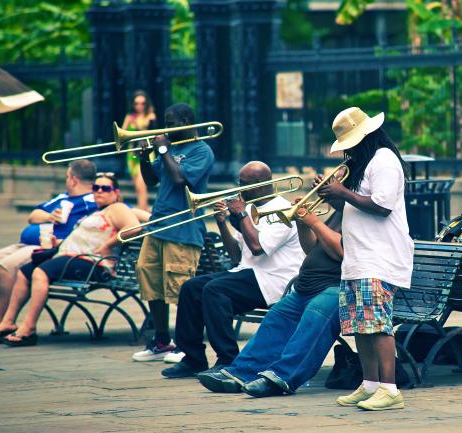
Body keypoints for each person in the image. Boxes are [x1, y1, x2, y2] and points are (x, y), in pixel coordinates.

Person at [160, 161, 304, 378]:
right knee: (191, 288)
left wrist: (241, 215)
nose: (238, 189)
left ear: (260, 185)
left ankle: (227, 358)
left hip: (275, 280)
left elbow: (257, 248)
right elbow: (237, 256)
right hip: (250, 272)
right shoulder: (251, 209)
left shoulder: (283, 210)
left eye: (242, 184)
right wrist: (221, 223)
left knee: (215, 290)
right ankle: (193, 358)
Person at [316, 107, 413, 411]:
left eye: (351, 143)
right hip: (358, 259)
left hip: (379, 258)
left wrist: (342, 192)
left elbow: (382, 206)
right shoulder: (363, 164)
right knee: (361, 325)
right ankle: (370, 384)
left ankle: (390, 388)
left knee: (379, 325)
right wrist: (334, 195)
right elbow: (357, 204)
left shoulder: (384, 160)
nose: (348, 150)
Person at [197, 206, 343, 397]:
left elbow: (341, 252)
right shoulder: (340, 210)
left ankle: (282, 377)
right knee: (277, 317)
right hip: (308, 285)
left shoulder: (359, 212)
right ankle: (242, 372)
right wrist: (303, 224)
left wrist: (314, 221)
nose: (322, 183)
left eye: (335, 181)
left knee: (316, 313)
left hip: (340, 286)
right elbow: (311, 248)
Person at [0, 174, 142, 346]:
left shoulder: (117, 208)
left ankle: (28, 328)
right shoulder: (97, 212)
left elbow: (134, 227)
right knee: (25, 272)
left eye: (105, 188)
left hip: (93, 262)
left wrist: (108, 245)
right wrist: (56, 242)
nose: (99, 191)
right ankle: (8, 322)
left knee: (40, 272)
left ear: (116, 192)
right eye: (96, 188)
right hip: (71, 256)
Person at [132, 103, 215, 362]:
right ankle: (161, 340)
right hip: (158, 224)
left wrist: (164, 149)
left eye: (172, 122)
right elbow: (152, 180)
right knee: (150, 280)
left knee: (180, 288)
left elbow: (180, 180)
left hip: (184, 228)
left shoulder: (202, 150)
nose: (166, 128)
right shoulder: (170, 149)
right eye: (165, 122)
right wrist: (145, 157)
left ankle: (184, 345)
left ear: (187, 121)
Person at [0, 159, 97, 334]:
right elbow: (33, 215)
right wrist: (50, 216)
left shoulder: (93, 200)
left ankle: (0, 322)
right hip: (26, 243)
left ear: (73, 179)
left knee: (4, 268)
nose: (66, 181)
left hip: (48, 248)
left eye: (66, 177)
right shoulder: (63, 197)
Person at [122, 90, 157, 211]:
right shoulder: (129, 116)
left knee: (141, 186)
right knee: (137, 188)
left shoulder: (150, 116)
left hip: (145, 153)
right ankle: (145, 210)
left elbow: (153, 135)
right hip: (131, 153)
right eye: (136, 103)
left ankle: (142, 214)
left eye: (142, 103)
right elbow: (123, 133)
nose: (139, 106)